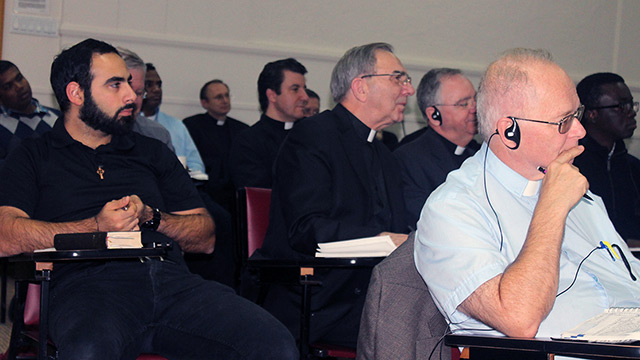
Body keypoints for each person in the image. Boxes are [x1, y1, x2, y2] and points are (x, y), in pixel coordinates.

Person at [0, 38, 297, 359]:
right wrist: (95, 227)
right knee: (88, 351)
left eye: (128, 83)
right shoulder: (33, 156)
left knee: (274, 343)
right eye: (115, 85)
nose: (131, 95)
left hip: (170, 281)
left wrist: (153, 217)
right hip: (86, 286)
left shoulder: (151, 152)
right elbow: (5, 236)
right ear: (76, 94)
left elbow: (206, 237)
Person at [414, 48, 640, 339]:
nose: (580, 132)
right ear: (510, 132)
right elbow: (519, 319)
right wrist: (552, 207)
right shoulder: (454, 209)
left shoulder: (575, 191)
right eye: (564, 121)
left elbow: (628, 277)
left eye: (578, 114)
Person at [257, 42, 413, 348]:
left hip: (371, 293)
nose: (408, 90)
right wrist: (384, 239)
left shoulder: (385, 154)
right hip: (320, 296)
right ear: (361, 87)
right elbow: (307, 229)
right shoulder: (312, 137)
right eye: (398, 78)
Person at [394, 68, 479, 229]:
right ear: (434, 115)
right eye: (464, 104)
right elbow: (428, 219)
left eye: (474, 100)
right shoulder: (408, 160)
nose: (474, 109)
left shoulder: (482, 153)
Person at [574, 73, 640, 242]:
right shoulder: (571, 165)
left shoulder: (634, 168)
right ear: (592, 114)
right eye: (621, 106)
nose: (631, 113)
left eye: (631, 104)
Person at [229, 58, 309, 189]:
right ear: (272, 95)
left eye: (304, 89)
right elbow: (259, 198)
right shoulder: (248, 143)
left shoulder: (314, 134)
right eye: (295, 89)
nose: (305, 97)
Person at [183, 79, 249, 209]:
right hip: (207, 194)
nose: (225, 100)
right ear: (204, 103)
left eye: (227, 95)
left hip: (235, 195)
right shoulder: (192, 125)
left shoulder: (242, 129)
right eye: (219, 97)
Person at [142, 63, 205, 174]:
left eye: (159, 85)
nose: (156, 90)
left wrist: (186, 171)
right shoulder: (129, 124)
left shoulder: (176, 125)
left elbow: (196, 164)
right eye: (149, 84)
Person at [0, 60, 60, 164]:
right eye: (8, 86)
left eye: (19, 78)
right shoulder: (2, 127)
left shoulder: (59, 117)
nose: (19, 87)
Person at [117, 48, 174, 152]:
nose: (132, 99)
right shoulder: (82, 137)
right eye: (126, 91)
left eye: (139, 93)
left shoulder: (157, 135)